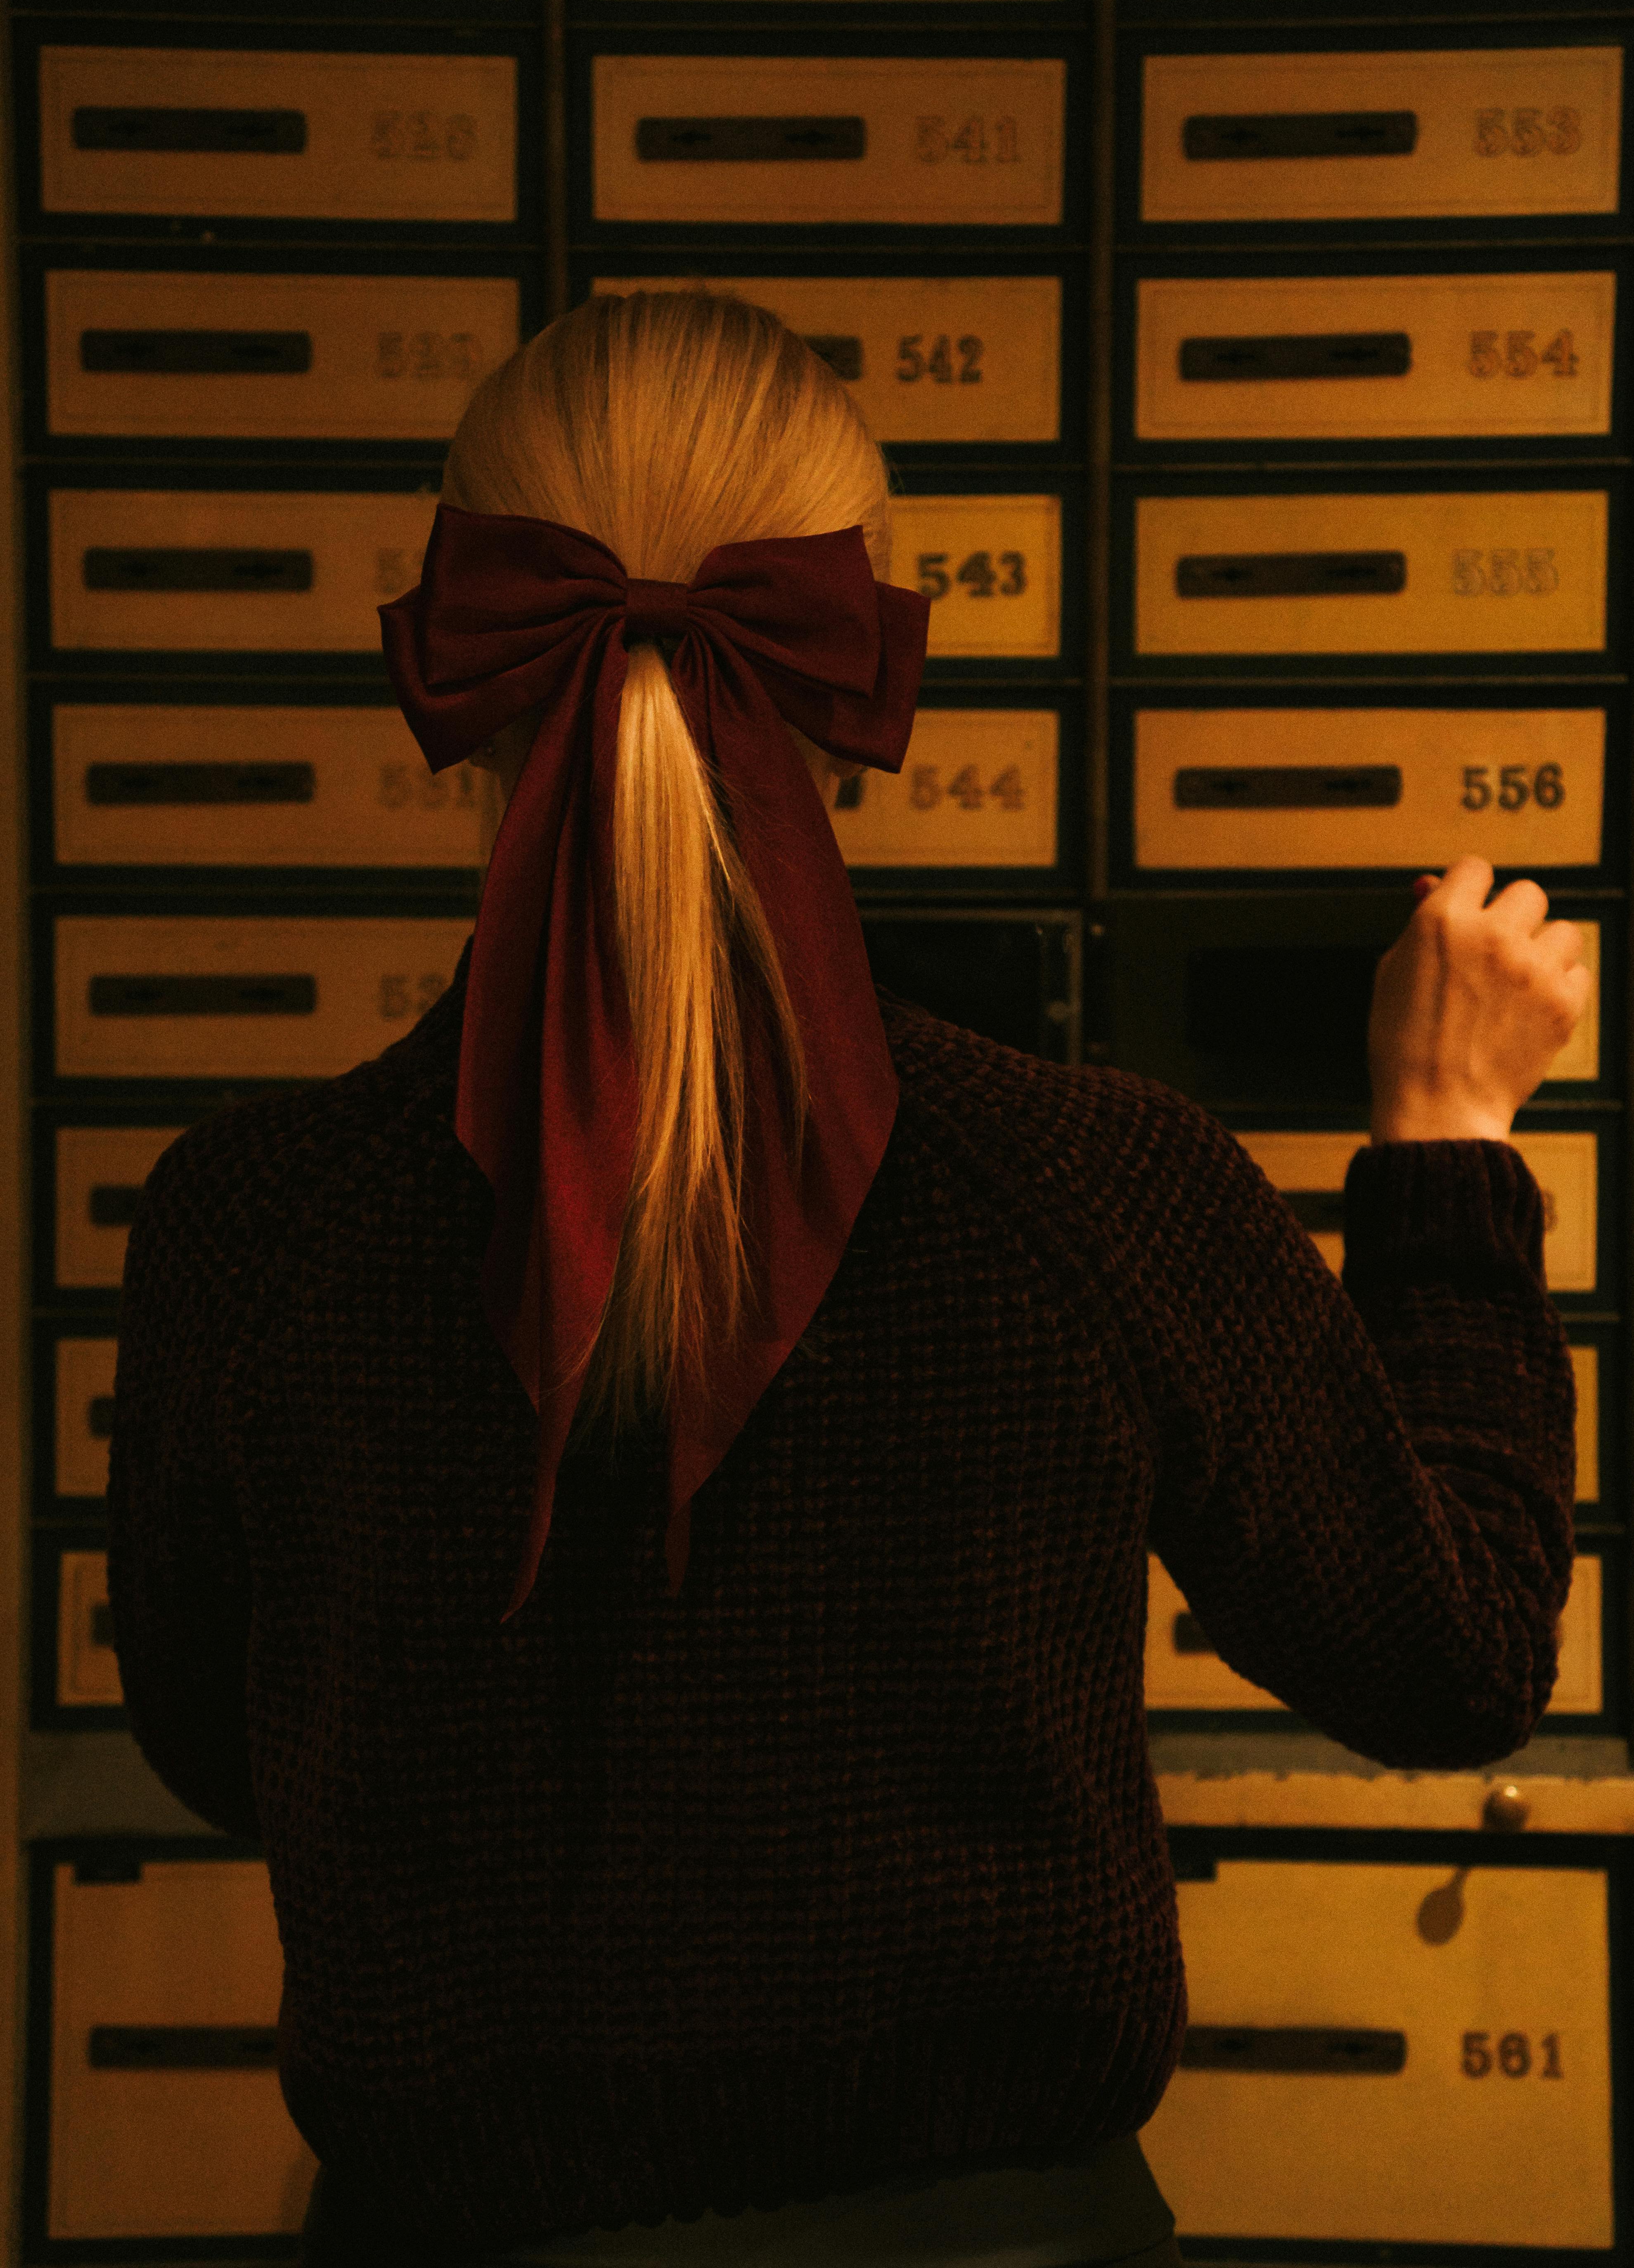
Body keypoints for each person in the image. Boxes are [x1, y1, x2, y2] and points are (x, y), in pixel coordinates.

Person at [107, 292, 1588, 2268]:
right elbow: (1455, 1657)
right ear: (863, 663)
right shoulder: (1095, 1190)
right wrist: (1448, 1138)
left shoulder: (250, 1225)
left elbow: (220, 1742)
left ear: (453, 659)